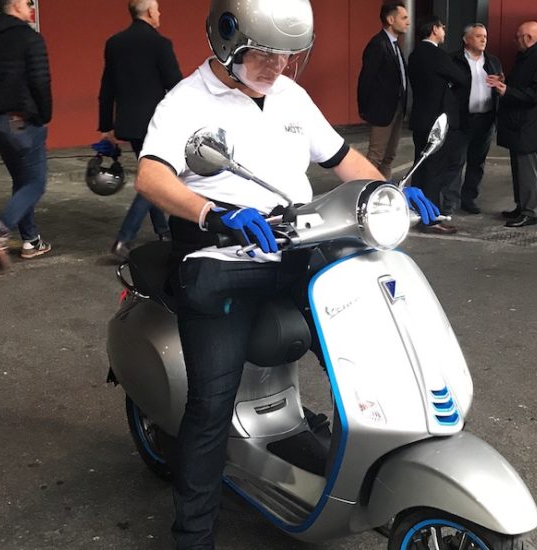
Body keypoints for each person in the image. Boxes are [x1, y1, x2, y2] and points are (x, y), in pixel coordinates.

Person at [132, 1, 439, 547]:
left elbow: (344, 159)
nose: (277, 65)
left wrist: (388, 191)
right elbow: (151, 178)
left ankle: (373, 466)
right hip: (220, 261)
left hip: (298, 252)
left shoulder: (291, 95)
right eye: (266, 53)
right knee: (210, 405)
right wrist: (214, 213)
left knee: (367, 355)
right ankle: (193, 534)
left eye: (288, 55)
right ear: (227, 39)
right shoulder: (185, 101)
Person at [0, 0, 52, 268]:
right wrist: (43, 116)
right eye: (27, 2)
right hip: (19, 122)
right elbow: (40, 80)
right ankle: (1, 228)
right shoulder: (29, 38)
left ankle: (31, 241)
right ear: (16, 5)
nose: (30, 7)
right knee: (35, 183)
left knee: (22, 180)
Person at [99, 0, 182, 261]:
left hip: (129, 125)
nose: (160, 13)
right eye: (157, 9)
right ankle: (124, 239)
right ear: (148, 12)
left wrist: (106, 126)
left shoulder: (115, 43)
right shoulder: (160, 44)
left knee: (151, 171)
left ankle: (162, 230)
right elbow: (176, 86)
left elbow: (107, 88)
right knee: (155, 180)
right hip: (155, 125)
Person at [408, 14, 469, 234]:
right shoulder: (436, 54)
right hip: (437, 123)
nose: (444, 31)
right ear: (434, 29)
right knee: (434, 170)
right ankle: (431, 219)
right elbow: (462, 77)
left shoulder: (414, 55)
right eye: (442, 27)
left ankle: (416, 212)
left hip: (420, 118)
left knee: (420, 167)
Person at [490, 21, 537, 228]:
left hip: (528, 126)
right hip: (519, 125)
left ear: (528, 38)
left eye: (518, 37)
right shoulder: (528, 56)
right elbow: (522, 83)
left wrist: (506, 91)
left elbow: (536, 94)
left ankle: (529, 211)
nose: (515, 40)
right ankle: (521, 206)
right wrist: (504, 80)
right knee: (519, 169)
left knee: (526, 170)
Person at [450, 23, 502, 215]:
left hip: (486, 120)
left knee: (477, 162)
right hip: (462, 120)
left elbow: (500, 83)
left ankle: (469, 199)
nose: (483, 39)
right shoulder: (453, 60)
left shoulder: (493, 61)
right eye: (478, 36)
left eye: (485, 36)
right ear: (466, 39)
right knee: (456, 161)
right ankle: (450, 200)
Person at [357, 1, 410, 180]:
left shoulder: (394, 45)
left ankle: (382, 189)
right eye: (404, 18)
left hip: (396, 110)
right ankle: (365, 193)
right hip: (382, 112)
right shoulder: (378, 44)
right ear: (390, 19)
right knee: (375, 157)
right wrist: (366, 110)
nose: (408, 22)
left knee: (388, 157)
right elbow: (366, 80)